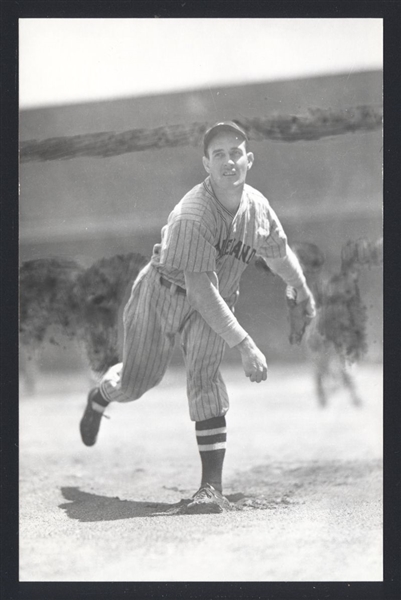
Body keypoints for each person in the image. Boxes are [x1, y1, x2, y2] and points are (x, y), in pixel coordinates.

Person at [80, 121, 316, 513]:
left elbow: (277, 255)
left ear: (249, 160)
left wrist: (302, 289)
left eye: (235, 152)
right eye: (218, 154)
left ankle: (210, 487)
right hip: (162, 295)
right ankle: (101, 396)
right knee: (137, 382)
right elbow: (200, 291)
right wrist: (245, 343)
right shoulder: (193, 213)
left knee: (205, 378)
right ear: (206, 164)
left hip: (214, 302)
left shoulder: (258, 209)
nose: (228, 161)